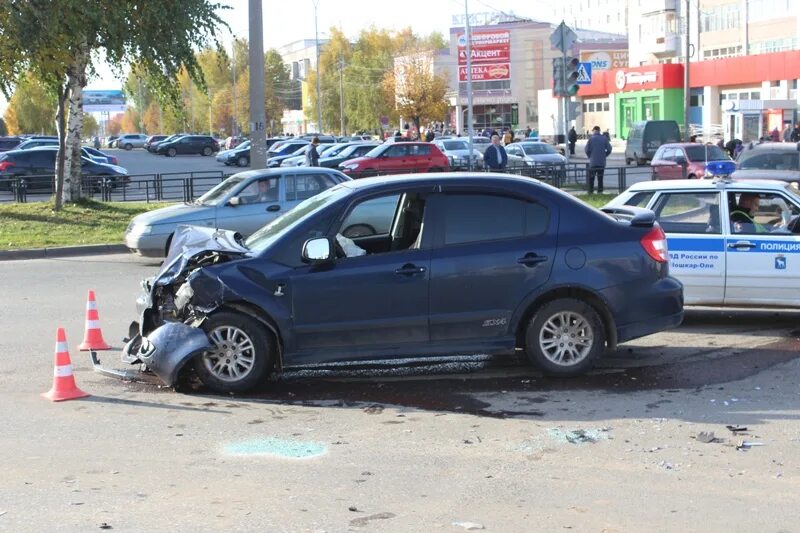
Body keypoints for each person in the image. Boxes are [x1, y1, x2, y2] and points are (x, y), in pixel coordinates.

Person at [584, 126, 612, 194]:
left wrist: (590, 156)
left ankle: (591, 191)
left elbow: (586, 149)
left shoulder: (591, 139)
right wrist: (605, 155)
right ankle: (600, 191)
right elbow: (609, 149)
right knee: (600, 178)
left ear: (594, 131)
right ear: (599, 131)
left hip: (593, 162)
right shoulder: (604, 138)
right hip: (601, 162)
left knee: (591, 178)